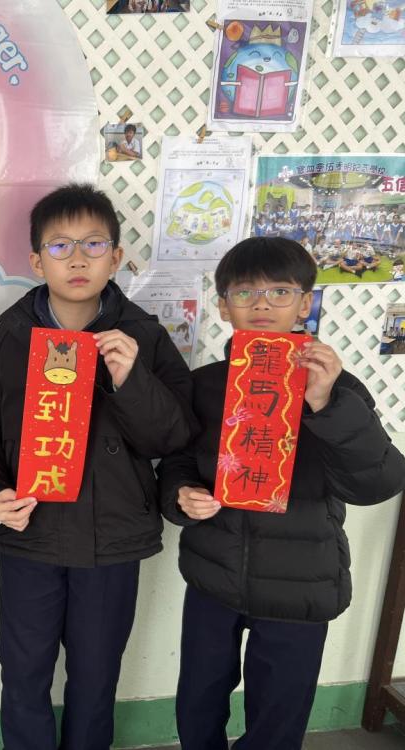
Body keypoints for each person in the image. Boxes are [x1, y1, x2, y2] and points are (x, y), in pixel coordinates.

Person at [0, 183, 194, 750]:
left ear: (117, 256)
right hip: (30, 535)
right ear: (37, 261)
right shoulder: (11, 337)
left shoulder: (144, 337)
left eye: (93, 244)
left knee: (96, 677)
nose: (78, 259)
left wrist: (131, 381)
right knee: (23, 673)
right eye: (60, 246)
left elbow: (175, 435)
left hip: (113, 541)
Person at [158, 237, 405, 750]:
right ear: (223, 305)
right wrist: (182, 492)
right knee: (197, 702)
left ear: (305, 302)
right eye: (245, 292)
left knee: (278, 719)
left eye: (280, 291)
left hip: (300, 586)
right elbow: (178, 460)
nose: (262, 304)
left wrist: (325, 404)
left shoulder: (336, 389)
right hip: (213, 576)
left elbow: (377, 483)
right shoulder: (204, 386)